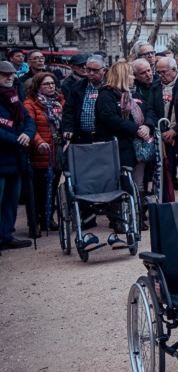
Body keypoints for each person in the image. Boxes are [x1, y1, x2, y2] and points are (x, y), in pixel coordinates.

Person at [95, 62, 153, 234]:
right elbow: (110, 119)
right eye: (130, 74)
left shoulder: (135, 94)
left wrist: (147, 126)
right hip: (118, 147)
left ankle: (137, 216)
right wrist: (136, 129)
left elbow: (149, 111)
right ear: (121, 76)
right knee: (119, 183)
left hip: (137, 147)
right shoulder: (106, 96)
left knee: (138, 184)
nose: (133, 77)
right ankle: (118, 219)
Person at [0, 61, 34, 249]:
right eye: (5, 74)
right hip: (4, 155)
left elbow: (28, 120)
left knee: (11, 201)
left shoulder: (15, 96)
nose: (10, 77)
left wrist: (27, 135)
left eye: (12, 74)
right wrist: (16, 139)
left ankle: (6, 235)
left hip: (16, 158)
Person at [24, 71, 62, 232]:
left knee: (52, 187)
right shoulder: (30, 104)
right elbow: (30, 127)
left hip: (57, 151)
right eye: (46, 84)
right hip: (40, 152)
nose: (51, 86)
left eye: (52, 83)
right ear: (38, 87)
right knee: (37, 189)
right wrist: (38, 142)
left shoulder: (59, 102)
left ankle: (49, 217)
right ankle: (35, 221)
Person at [154, 56, 178, 201]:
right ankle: (167, 203)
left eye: (163, 72)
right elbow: (151, 109)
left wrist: (176, 129)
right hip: (163, 136)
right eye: (158, 72)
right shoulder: (156, 86)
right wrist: (160, 130)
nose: (160, 76)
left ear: (174, 70)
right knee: (166, 172)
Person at [62, 56, 106, 145]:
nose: (91, 73)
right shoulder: (77, 86)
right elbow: (69, 109)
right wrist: (68, 128)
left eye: (95, 70)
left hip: (104, 136)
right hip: (82, 137)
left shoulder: (110, 86)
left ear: (104, 70)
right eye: (88, 70)